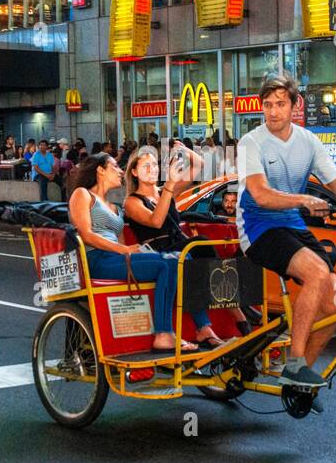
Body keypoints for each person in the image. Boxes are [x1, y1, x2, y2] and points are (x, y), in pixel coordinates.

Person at [236, 73, 336, 388]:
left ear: (295, 106)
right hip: (258, 228)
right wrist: (305, 200)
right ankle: (295, 363)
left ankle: (299, 382)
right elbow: (260, 194)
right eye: (267, 104)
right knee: (316, 273)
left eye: (280, 104)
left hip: (293, 225)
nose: (273, 111)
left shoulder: (308, 141)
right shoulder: (251, 142)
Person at [68, 154, 198, 377]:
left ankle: (188, 329)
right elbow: (86, 235)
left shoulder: (115, 207)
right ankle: (163, 334)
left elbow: (120, 241)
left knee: (176, 261)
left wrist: (134, 252)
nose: (120, 171)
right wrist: (126, 251)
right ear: (100, 170)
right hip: (96, 259)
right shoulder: (83, 195)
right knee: (164, 265)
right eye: (115, 166)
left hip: (116, 258)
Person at [123, 143, 244, 342]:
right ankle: (234, 315)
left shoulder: (164, 191)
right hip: (160, 250)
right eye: (146, 166)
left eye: (154, 165)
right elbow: (156, 221)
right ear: (135, 172)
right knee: (200, 245)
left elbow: (198, 164)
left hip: (182, 243)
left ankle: (231, 314)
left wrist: (182, 149)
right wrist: (169, 186)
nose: (152, 169)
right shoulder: (132, 201)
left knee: (203, 248)